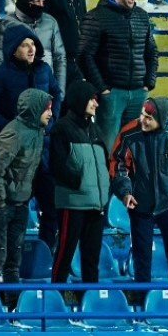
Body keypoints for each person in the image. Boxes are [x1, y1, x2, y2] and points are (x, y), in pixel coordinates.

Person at [111, 98, 168, 286]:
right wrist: (125, 192)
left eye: (149, 117)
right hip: (140, 205)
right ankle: (143, 304)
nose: (143, 120)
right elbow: (118, 166)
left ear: (161, 119)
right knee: (141, 257)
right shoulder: (128, 133)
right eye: (142, 114)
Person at [77, 0, 157, 150]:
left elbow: (151, 52)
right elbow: (84, 55)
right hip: (112, 95)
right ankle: (109, 178)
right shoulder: (96, 16)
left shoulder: (142, 16)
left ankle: (129, 178)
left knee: (134, 146)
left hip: (138, 92)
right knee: (108, 146)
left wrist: (148, 83)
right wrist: (103, 89)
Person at [0, 88, 51, 287]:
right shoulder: (14, 132)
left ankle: (12, 309)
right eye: (47, 109)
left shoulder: (37, 131)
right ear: (35, 109)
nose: (50, 113)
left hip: (20, 204)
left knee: (13, 262)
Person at [51, 79, 109, 284]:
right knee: (65, 254)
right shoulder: (62, 128)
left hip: (96, 204)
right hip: (73, 203)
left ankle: (89, 305)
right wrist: (80, 183)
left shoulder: (94, 129)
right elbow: (57, 166)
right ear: (78, 100)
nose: (96, 104)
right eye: (92, 99)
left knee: (91, 259)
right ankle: (53, 299)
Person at [0, 24, 62, 140]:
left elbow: (56, 94)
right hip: (14, 145)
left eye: (33, 44)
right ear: (13, 50)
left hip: (42, 142)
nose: (32, 49)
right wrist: (10, 129)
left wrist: (50, 122)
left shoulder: (44, 69)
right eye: (25, 45)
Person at [0, 0, 68, 90]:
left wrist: (59, 92)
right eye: (37, 2)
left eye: (43, 2)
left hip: (45, 90)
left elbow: (60, 57)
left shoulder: (50, 22)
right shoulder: (4, 25)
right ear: (25, 3)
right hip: (15, 90)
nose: (41, 5)